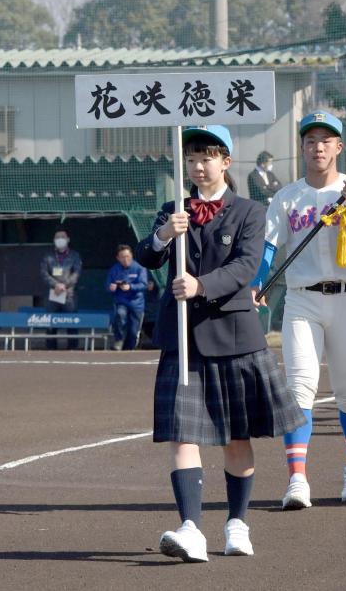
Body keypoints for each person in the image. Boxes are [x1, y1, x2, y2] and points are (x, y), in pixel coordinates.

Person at [136, 124, 304, 563]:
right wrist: (164, 235)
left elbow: (247, 266)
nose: (197, 166)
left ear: (226, 162)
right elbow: (147, 256)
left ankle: (237, 524)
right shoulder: (172, 210)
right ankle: (191, 528)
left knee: (237, 437)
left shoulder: (249, 211)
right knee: (181, 434)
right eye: (191, 159)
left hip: (234, 337)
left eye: (206, 157)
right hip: (183, 340)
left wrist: (201, 285)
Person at [254, 110, 346, 510]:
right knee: (299, 387)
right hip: (301, 299)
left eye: (325, 140)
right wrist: (259, 281)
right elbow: (269, 245)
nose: (317, 147)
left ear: (338, 147)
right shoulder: (287, 197)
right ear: (302, 147)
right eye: (310, 140)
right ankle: (297, 479)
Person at [40, 228, 82, 350]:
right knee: (51, 324)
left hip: (69, 295)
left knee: (72, 323)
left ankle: (72, 349)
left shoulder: (75, 255)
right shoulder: (48, 256)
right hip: (53, 294)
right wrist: (56, 285)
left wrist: (64, 285)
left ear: (68, 239)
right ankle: (51, 349)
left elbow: (76, 273)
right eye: (57, 237)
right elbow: (44, 273)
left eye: (62, 237)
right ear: (54, 240)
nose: (60, 239)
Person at [106, 244, 148, 350]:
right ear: (118, 258)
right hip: (121, 301)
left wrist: (130, 287)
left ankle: (130, 349)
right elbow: (107, 286)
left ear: (131, 255)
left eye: (127, 256)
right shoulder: (114, 269)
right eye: (122, 257)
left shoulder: (139, 268)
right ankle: (119, 340)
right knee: (119, 315)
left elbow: (144, 285)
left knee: (133, 331)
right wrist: (111, 287)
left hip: (136, 303)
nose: (125, 259)